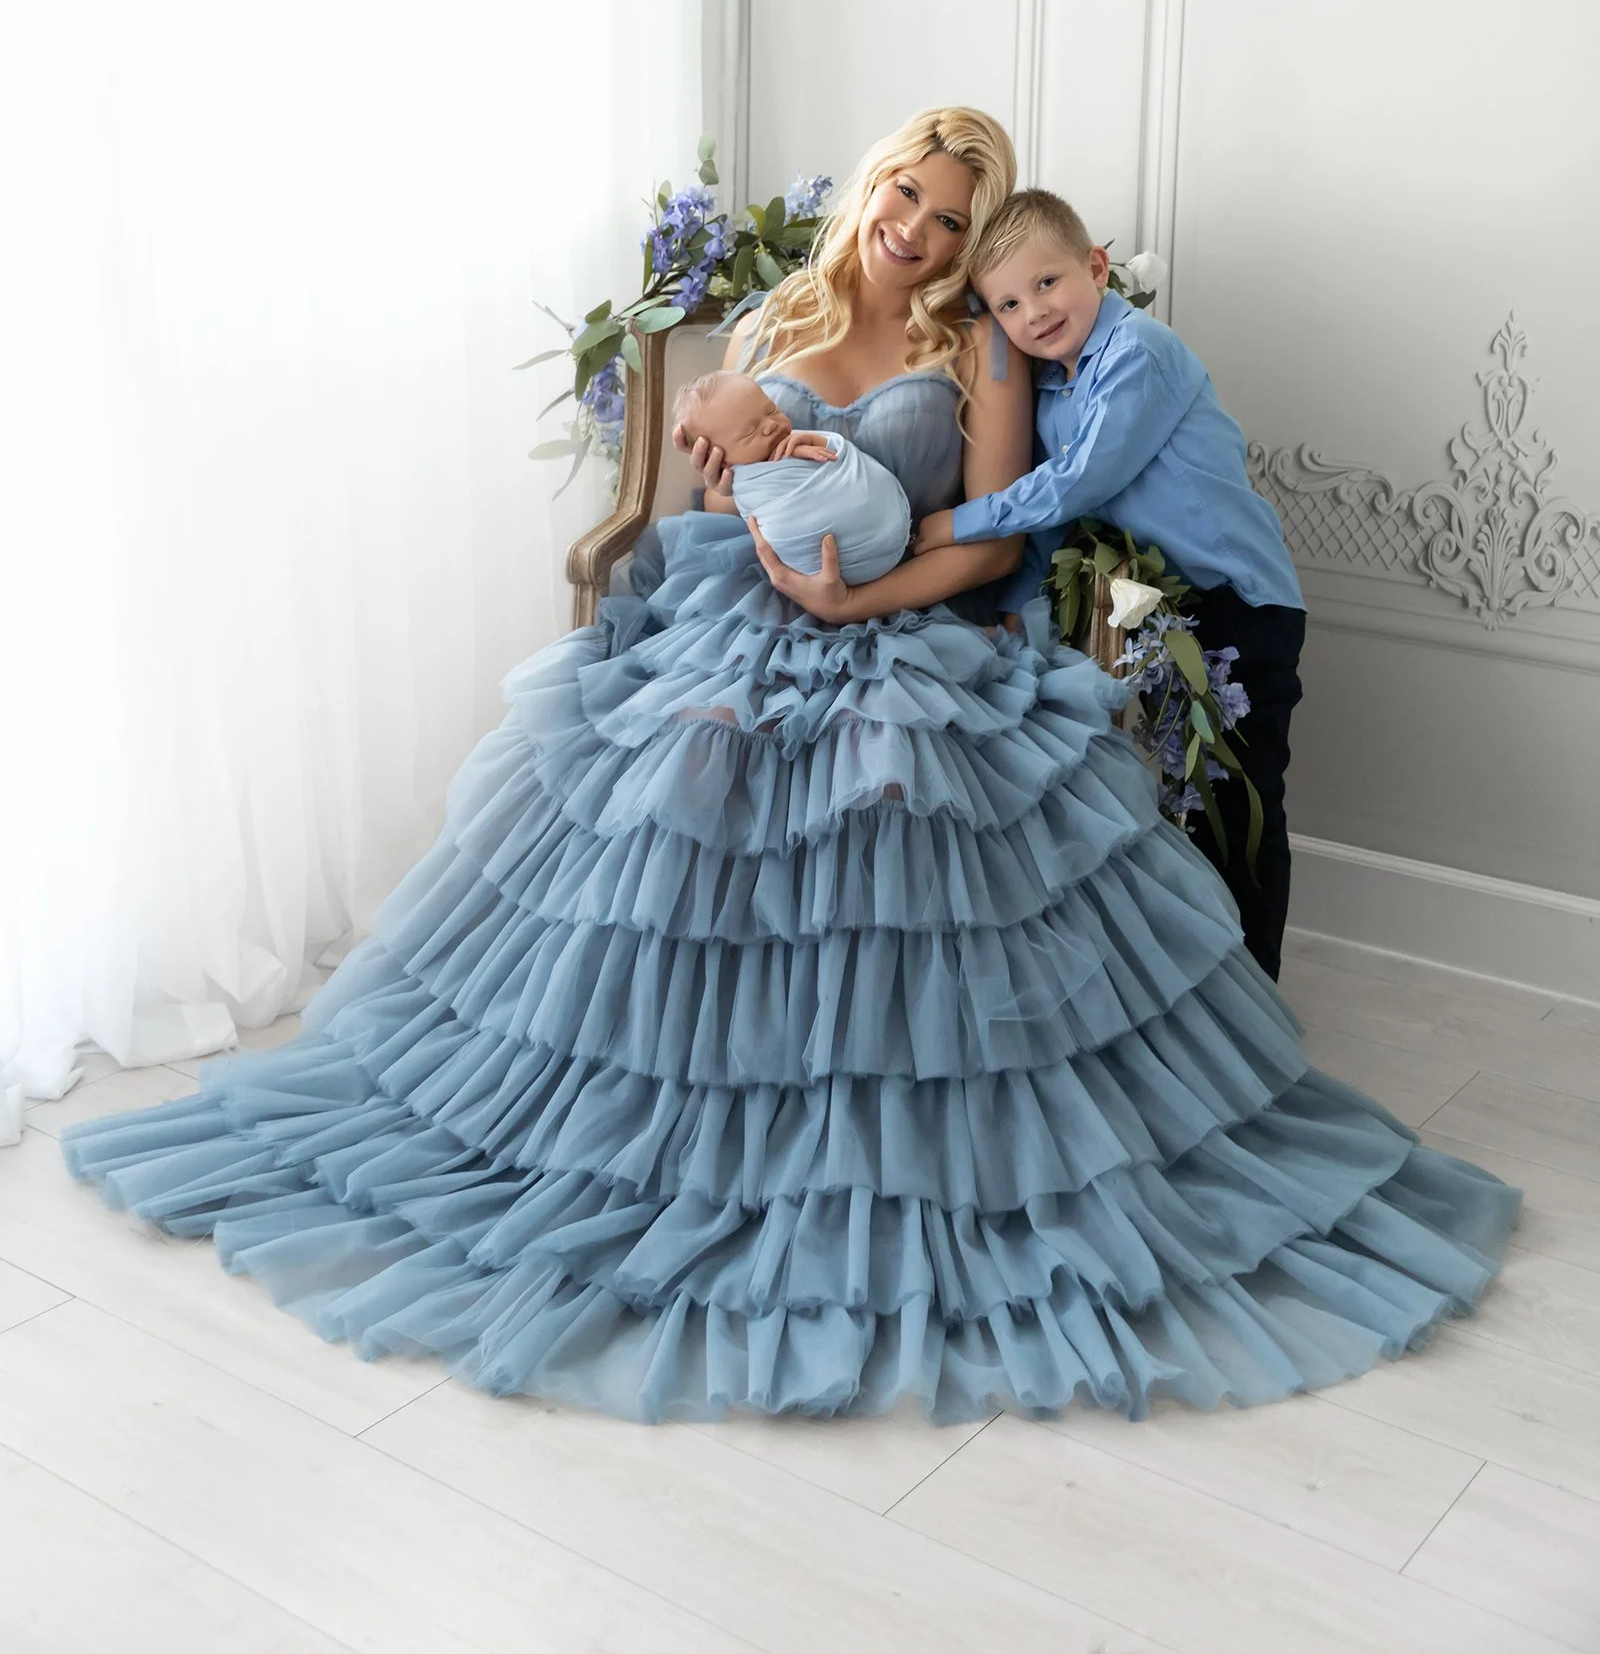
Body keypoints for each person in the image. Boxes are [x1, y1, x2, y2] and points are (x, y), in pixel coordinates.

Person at [61, 109, 1518, 1424]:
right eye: (911, 193)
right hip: (747, 617)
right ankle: (645, 1126)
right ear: (874, 184)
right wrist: (762, 526)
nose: (924, 229)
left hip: (908, 624)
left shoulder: (987, 345)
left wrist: (852, 605)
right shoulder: (776, 315)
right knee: (673, 793)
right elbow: (733, 471)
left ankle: (887, 1147)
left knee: (898, 807)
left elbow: (1000, 534)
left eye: (956, 218)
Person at [914, 188, 1306, 980]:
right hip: (1161, 613)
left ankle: (1257, 987)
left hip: (1240, 604)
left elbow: (1077, 485)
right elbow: (1056, 532)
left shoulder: (1140, 354)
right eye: (1011, 304)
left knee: (1238, 800)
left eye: (1049, 283)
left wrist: (951, 523)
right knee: (1173, 802)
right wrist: (1005, 617)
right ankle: (1197, 983)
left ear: (1096, 266)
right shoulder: (1053, 388)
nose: (1034, 312)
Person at [672, 370, 910, 587]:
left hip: (900, 552)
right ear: (721, 458)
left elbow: (835, 457)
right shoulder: (743, 480)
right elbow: (751, 509)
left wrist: (817, 445)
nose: (770, 426)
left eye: (772, 410)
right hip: (811, 579)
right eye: (749, 432)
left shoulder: (794, 443)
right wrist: (725, 489)